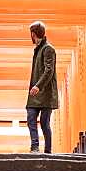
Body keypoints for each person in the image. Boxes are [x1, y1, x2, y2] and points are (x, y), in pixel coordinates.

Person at [26, 21, 58, 153]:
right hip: (35, 93)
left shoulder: (48, 49)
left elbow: (49, 70)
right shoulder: (38, 49)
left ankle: (48, 151)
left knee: (44, 123)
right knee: (31, 117)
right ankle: (35, 146)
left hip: (45, 92)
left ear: (33, 34)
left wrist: (38, 86)